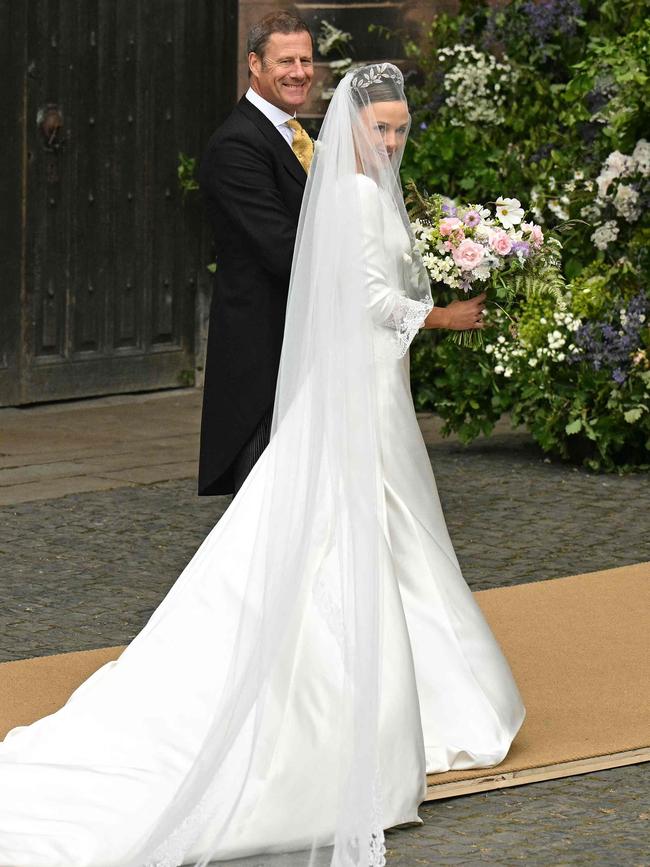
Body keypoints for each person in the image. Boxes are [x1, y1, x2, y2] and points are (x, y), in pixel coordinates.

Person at [0, 64, 524, 867]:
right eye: (378, 127)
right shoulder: (349, 196)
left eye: (400, 128)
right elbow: (367, 299)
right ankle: (376, 707)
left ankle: (421, 685)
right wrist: (445, 314)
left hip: (368, 390)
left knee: (387, 529)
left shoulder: (360, 190)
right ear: (350, 125)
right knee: (355, 529)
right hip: (356, 394)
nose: (390, 141)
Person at [198, 12, 486, 496]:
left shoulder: (299, 138)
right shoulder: (237, 145)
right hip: (264, 351)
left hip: (318, 347)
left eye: (306, 59)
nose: (299, 71)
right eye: (285, 60)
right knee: (273, 498)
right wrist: (414, 309)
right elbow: (289, 253)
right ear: (254, 63)